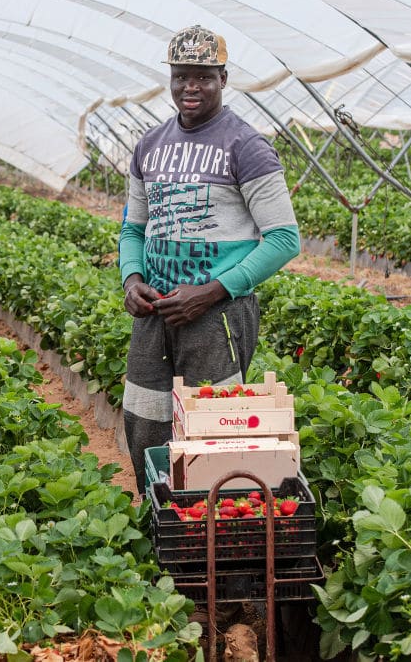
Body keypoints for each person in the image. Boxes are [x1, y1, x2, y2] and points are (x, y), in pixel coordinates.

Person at [119, 26, 301, 495]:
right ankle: (157, 516)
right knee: (145, 423)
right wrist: (132, 278)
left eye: (202, 77)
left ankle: (207, 531)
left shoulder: (246, 146)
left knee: (211, 432)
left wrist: (211, 292)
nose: (190, 88)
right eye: (181, 77)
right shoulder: (150, 146)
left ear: (223, 78)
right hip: (156, 311)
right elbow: (133, 228)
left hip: (216, 315)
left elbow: (283, 239)